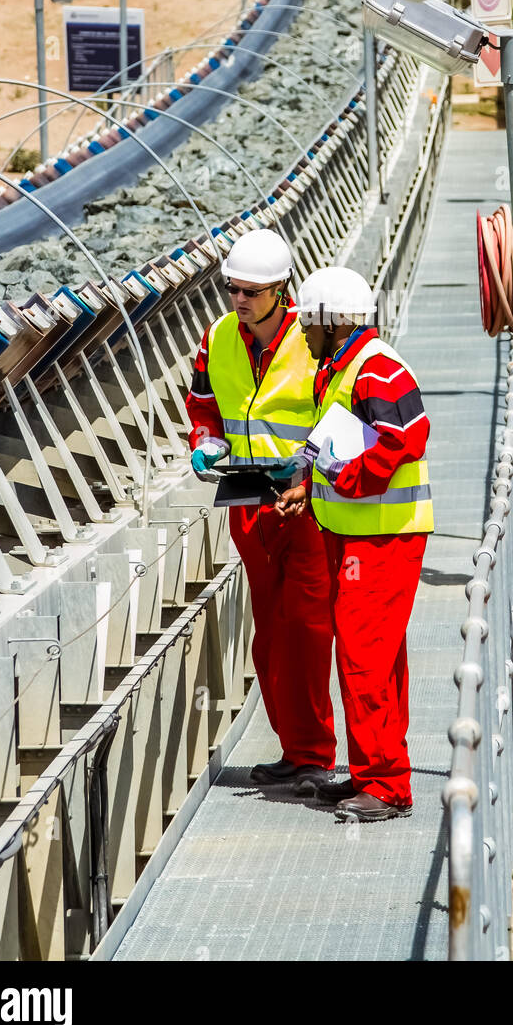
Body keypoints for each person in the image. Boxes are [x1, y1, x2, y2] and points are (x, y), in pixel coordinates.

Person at [276, 266, 433, 822]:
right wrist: (306, 486)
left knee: (364, 658)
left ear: (330, 321)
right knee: (375, 658)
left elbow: (405, 438)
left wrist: (350, 480)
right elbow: (335, 447)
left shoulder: (377, 370)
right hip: (354, 532)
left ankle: (387, 786)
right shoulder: (343, 369)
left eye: (307, 322)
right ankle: (375, 773)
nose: (300, 332)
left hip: (383, 537)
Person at [186, 230, 335, 794]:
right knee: (269, 636)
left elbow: (340, 411)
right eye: (232, 289)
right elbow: (203, 406)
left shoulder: (314, 338)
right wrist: (205, 441)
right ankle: (297, 750)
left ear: (281, 289)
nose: (239, 300)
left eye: (252, 291)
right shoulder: (218, 338)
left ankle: (317, 751)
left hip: (306, 503)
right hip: (248, 502)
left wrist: (305, 468)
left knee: (307, 628)